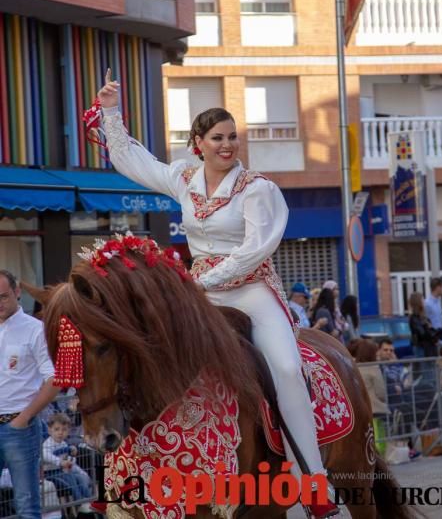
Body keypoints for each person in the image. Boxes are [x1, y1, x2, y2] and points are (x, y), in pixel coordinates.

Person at [95, 70, 338, 518]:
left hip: (250, 291)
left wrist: (197, 283)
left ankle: (313, 482)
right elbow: (133, 160)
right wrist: (111, 111)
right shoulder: (184, 179)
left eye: (232, 137)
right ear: (198, 143)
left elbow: (252, 252)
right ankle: (146, 469)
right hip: (198, 296)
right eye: (217, 137)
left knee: (285, 367)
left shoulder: (258, 190)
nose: (227, 145)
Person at [0, 269, 59, 519]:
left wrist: (23, 419)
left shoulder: (35, 330)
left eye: (2, 296)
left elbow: (54, 379)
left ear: (17, 292)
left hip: (19, 429)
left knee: (27, 505)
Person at [42, 413, 93, 512]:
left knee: (81, 478)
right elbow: (45, 455)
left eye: (64, 430)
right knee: (71, 479)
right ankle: (79, 503)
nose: (60, 433)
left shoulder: (64, 443)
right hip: (49, 472)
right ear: (49, 430)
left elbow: (68, 458)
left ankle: (88, 499)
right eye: (57, 429)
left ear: (68, 431)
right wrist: (60, 462)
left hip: (62, 470)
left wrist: (71, 459)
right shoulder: (47, 444)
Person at [408, 291, 439, 358]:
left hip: (430, 348)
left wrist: (436, 333)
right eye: (422, 299)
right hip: (422, 348)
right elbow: (422, 333)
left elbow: (430, 330)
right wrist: (429, 330)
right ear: (418, 302)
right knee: (425, 367)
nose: (424, 302)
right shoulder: (414, 318)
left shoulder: (424, 317)